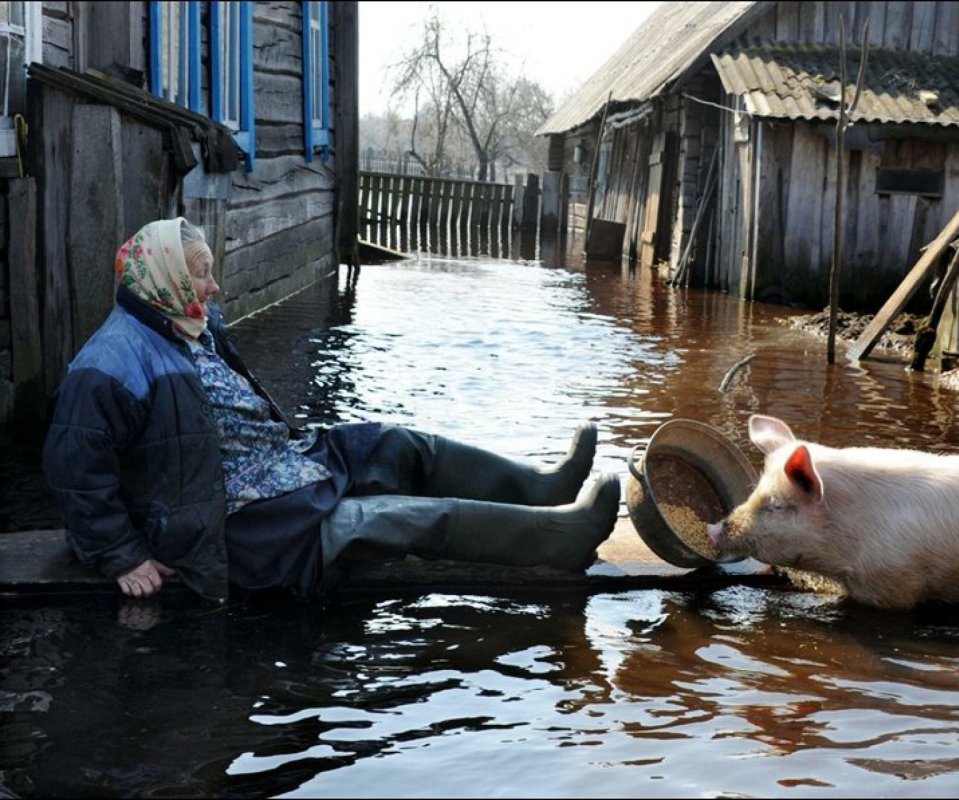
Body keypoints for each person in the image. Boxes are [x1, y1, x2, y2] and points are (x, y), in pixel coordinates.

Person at [42, 217, 620, 603]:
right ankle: (560, 539)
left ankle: (543, 487)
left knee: (395, 443)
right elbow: (74, 469)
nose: (215, 286)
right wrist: (123, 554)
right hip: (228, 524)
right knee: (380, 518)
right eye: (200, 273)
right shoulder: (109, 364)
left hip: (276, 466)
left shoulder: (187, 320)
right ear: (164, 276)